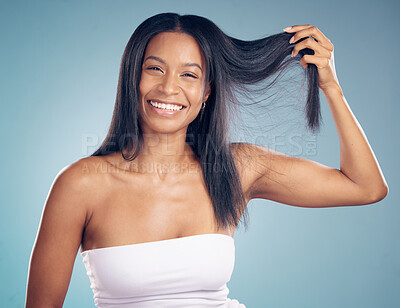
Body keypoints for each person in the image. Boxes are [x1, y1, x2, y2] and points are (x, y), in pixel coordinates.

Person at [25, 12, 388, 308]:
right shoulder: (80, 184)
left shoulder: (237, 168)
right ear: (131, 77)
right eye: (154, 68)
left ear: (205, 93)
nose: (169, 88)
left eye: (189, 74)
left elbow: (365, 187)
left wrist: (331, 86)